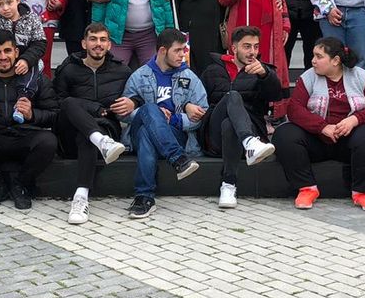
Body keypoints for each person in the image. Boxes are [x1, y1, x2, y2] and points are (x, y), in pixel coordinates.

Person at [272, 37, 365, 213]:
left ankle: (362, 192)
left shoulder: (361, 76)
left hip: (348, 140)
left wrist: (354, 120)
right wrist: (322, 127)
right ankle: (306, 188)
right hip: (317, 140)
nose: (313, 61)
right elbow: (294, 109)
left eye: (319, 56)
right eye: (313, 56)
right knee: (284, 134)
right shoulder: (308, 77)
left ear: (335, 60)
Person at [0, 30, 60, 211]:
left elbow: (54, 114)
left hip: (24, 135)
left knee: (48, 141)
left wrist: (32, 115)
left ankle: (19, 185)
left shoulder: (35, 77)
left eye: (7, 51)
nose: (3, 57)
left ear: (16, 52)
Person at [120, 29, 206, 219]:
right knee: (150, 109)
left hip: (174, 134)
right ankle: (178, 159)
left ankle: (144, 197)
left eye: (184, 50)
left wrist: (173, 119)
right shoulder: (139, 76)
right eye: (177, 50)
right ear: (162, 51)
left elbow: (201, 118)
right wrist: (146, 111)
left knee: (147, 135)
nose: (182, 55)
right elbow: (123, 116)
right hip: (140, 134)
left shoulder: (189, 77)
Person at [53, 23, 132, 224]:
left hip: (107, 130)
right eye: (93, 39)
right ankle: (99, 140)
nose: (98, 44)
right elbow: (57, 104)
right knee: (69, 103)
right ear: (84, 43)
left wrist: (134, 102)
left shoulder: (122, 71)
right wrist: (95, 108)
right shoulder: (68, 70)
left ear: (109, 45)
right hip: (70, 134)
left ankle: (81, 197)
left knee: (86, 136)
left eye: (103, 40)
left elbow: (138, 95)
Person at [199, 26, 282, 209]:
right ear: (234, 48)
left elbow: (277, 95)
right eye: (247, 46)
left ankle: (228, 186)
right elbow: (198, 98)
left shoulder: (263, 71)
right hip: (215, 136)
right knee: (232, 96)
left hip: (249, 128)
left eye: (256, 47)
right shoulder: (213, 70)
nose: (252, 52)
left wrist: (265, 75)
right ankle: (249, 141)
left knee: (230, 125)